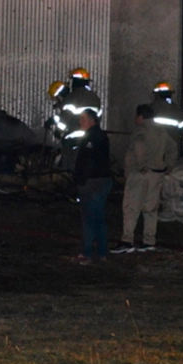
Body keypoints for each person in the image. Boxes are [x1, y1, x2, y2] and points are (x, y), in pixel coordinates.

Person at [112, 104, 178, 253]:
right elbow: (172, 148)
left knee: (131, 207)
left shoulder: (140, 130)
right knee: (151, 209)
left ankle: (127, 241)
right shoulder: (161, 131)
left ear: (141, 116)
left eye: (136, 116)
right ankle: (149, 241)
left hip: (140, 175)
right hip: (157, 174)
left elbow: (139, 146)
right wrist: (168, 165)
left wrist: (140, 165)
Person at [73, 108, 112, 264]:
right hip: (101, 181)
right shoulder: (100, 136)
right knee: (99, 218)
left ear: (91, 121)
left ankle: (87, 253)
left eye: (82, 120)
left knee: (89, 219)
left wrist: (81, 180)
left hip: (93, 183)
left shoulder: (91, 138)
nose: (80, 123)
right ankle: (102, 252)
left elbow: (87, 162)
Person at [59, 68, 103, 170]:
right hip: (91, 139)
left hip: (73, 142)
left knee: (70, 170)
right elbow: (98, 118)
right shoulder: (95, 98)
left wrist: (58, 131)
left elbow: (65, 120)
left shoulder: (72, 97)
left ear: (76, 81)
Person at [149, 81, 183, 148]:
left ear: (157, 94)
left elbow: (146, 125)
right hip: (172, 142)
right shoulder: (176, 108)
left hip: (155, 143)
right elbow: (181, 126)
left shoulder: (151, 108)